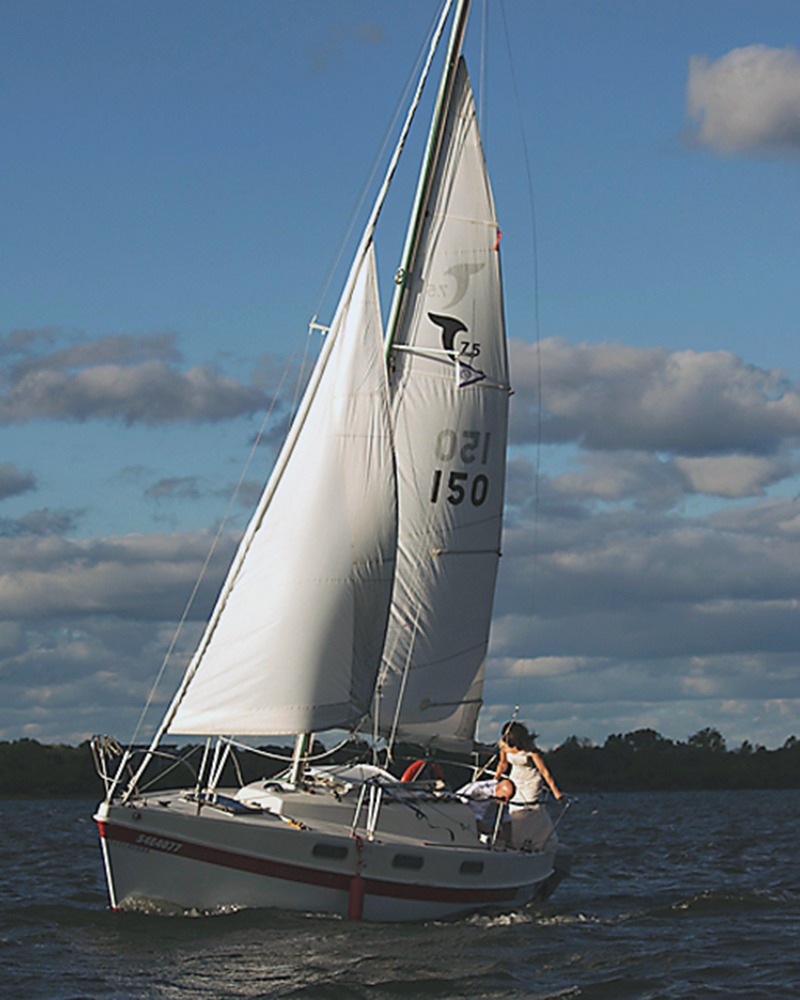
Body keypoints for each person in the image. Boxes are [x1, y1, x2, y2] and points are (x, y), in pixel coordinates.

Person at [494, 721, 565, 849]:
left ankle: (538, 840)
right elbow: (503, 764)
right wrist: (494, 781)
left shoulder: (530, 750)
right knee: (515, 810)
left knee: (531, 809)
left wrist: (556, 792)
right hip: (515, 779)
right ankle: (516, 841)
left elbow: (544, 771)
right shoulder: (504, 747)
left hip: (531, 780)